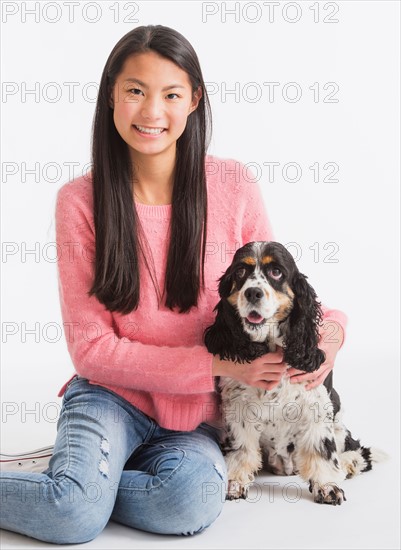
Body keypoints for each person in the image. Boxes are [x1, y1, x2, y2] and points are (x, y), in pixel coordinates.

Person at [0, 25, 347, 544]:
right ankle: (76, 487)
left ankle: (83, 478)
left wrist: (333, 334)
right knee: (71, 514)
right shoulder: (80, 201)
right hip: (110, 398)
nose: (152, 112)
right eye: (135, 90)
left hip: (195, 418)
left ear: (194, 101)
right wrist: (221, 364)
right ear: (111, 95)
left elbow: (277, 287)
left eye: (171, 94)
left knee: (189, 499)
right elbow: (91, 350)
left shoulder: (232, 184)